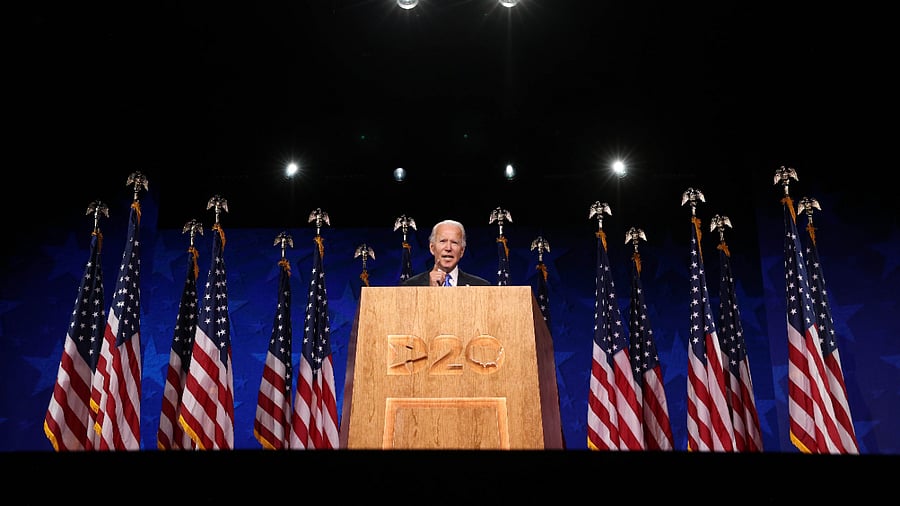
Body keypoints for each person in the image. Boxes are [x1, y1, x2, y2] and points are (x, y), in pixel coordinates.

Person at [402, 219, 490, 287]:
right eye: (443, 241)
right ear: (432, 248)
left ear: (462, 251)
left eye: (454, 242)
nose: (448, 248)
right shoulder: (411, 286)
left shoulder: (481, 286)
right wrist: (429, 291)